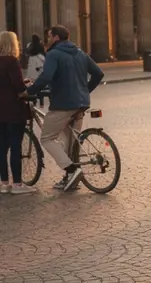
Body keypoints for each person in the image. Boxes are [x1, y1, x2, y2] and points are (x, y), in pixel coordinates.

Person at [23, 25, 104, 192]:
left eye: (49, 36)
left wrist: (29, 91)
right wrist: (85, 90)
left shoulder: (54, 54)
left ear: (56, 38)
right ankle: (70, 178)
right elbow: (98, 73)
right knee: (70, 140)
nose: (47, 40)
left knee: (47, 137)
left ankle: (72, 169)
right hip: (81, 103)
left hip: (63, 104)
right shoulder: (80, 52)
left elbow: (46, 77)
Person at [0, 31, 36, 195]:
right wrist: (26, 87)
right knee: (15, 146)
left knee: (2, 147)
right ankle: (17, 184)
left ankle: (4, 182)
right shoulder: (12, 61)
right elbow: (18, 88)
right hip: (13, 110)